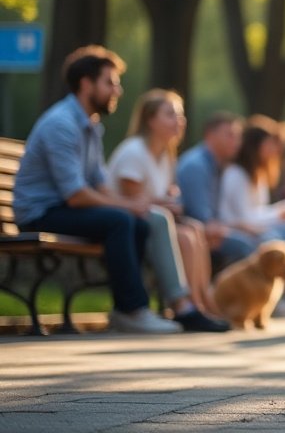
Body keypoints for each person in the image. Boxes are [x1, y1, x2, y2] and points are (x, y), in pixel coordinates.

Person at [11, 46, 181, 333]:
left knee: (138, 224)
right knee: (120, 220)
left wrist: (139, 206)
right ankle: (133, 310)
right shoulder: (62, 124)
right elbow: (76, 195)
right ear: (86, 84)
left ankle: (125, 310)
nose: (117, 91)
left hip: (63, 207)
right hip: (40, 213)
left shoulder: (90, 126)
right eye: (110, 83)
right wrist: (128, 206)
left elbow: (99, 184)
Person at [107, 89, 229, 330]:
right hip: (133, 226)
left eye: (180, 115)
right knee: (184, 235)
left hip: (151, 222)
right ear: (150, 120)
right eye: (170, 114)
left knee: (193, 229)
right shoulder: (134, 151)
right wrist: (165, 203)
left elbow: (157, 200)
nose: (179, 121)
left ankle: (200, 304)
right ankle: (183, 305)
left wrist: (170, 202)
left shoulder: (165, 156)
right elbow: (134, 201)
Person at [217, 115, 285, 292]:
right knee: (275, 242)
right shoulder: (236, 174)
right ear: (255, 145)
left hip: (254, 226)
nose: (274, 150)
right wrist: (278, 213)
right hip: (236, 229)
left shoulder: (258, 174)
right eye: (269, 144)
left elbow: (257, 211)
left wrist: (279, 212)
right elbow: (243, 217)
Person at [177, 111, 255, 271]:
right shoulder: (196, 166)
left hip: (208, 230)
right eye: (229, 135)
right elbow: (202, 218)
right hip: (193, 233)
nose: (236, 142)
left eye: (238, 136)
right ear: (210, 135)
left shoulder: (217, 165)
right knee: (248, 245)